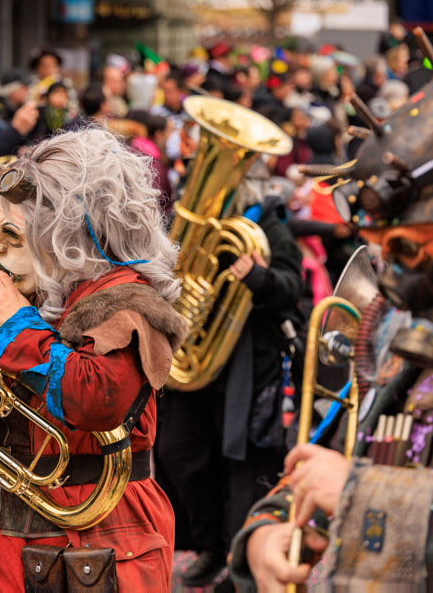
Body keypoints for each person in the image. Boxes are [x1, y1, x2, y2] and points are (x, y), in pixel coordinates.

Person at [230, 51, 433, 590]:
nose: (391, 278)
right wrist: (267, 533)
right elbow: (349, 452)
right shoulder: (399, 317)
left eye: (408, 250)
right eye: (384, 253)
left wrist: (359, 498)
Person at [0, 129, 187, 590]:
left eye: (11, 234)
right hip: (0, 544)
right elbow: (15, 427)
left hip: (91, 543)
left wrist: (15, 328)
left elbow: (96, 399)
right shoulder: (30, 300)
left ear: (67, 238)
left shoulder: (127, 301)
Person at [155, 159, 304, 587]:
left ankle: (240, 559)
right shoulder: (198, 221)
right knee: (179, 453)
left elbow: (292, 290)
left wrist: (256, 276)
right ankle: (209, 545)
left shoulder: (270, 227)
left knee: (239, 465)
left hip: (245, 368)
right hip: (195, 361)